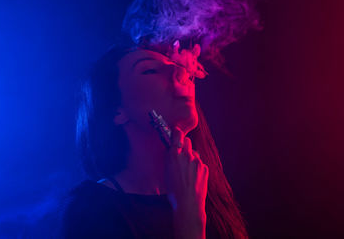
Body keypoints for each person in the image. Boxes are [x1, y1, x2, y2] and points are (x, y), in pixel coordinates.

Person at [58, 39, 249, 238]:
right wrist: (189, 215)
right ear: (117, 111)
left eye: (177, 65)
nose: (181, 73)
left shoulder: (207, 194)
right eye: (150, 70)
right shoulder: (90, 213)